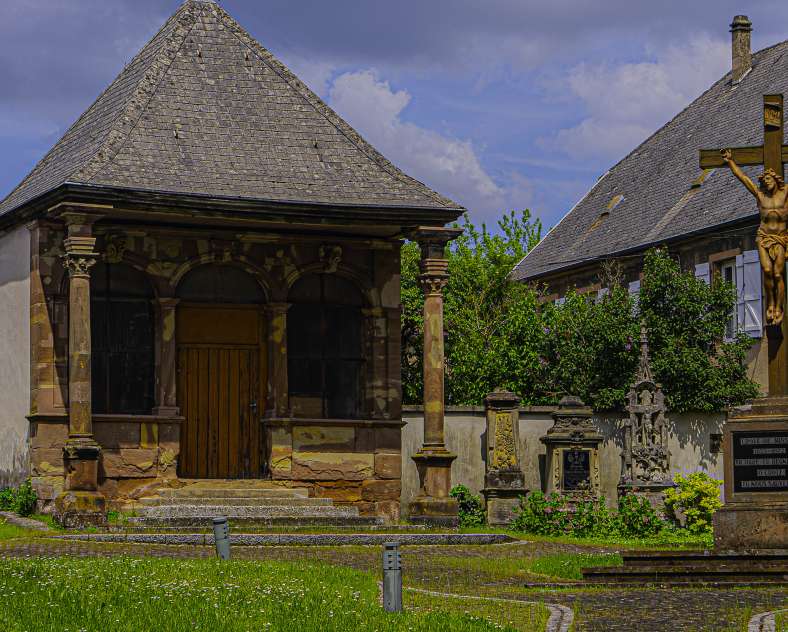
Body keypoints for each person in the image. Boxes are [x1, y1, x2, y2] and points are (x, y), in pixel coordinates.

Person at [721, 148, 788, 325]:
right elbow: (743, 178)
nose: (767, 182)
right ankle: (771, 304)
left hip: (781, 238)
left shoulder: (786, 193)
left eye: (769, 178)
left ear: (775, 179)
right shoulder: (760, 196)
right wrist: (730, 161)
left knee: (778, 273)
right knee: (767, 271)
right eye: (764, 180)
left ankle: (780, 308)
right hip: (764, 237)